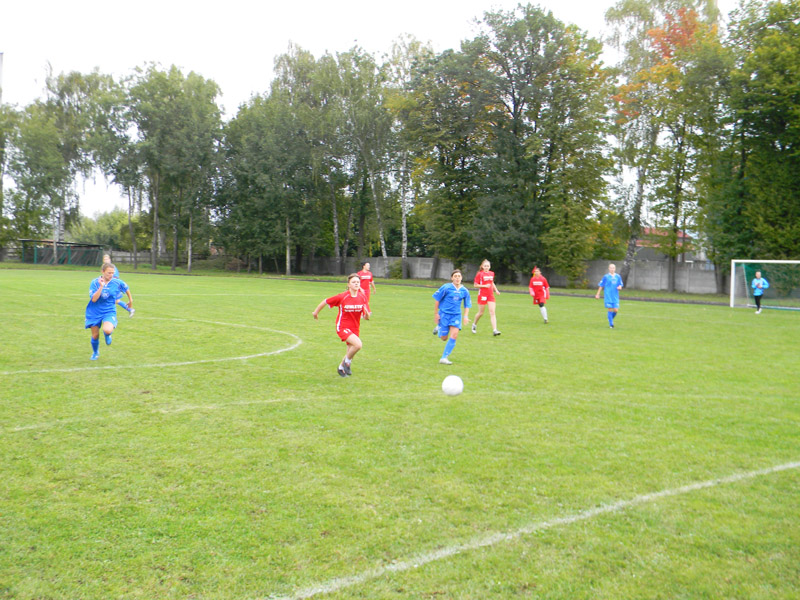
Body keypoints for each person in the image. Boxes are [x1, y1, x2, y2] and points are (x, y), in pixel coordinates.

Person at [312, 273, 372, 377]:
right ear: (348, 284)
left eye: (358, 282)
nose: (356, 284)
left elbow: (366, 317)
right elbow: (326, 301)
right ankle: (347, 363)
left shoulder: (362, 297)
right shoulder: (342, 297)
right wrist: (316, 312)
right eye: (353, 282)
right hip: (343, 326)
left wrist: (366, 314)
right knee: (358, 345)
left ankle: (341, 368)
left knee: (351, 350)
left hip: (355, 327)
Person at [85, 262, 133, 360]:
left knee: (107, 330)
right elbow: (94, 299)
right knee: (95, 335)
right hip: (94, 311)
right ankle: (95, 353)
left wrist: (130, 300)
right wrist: (101, 286)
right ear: (103, 271)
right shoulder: (95, 283)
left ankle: (107, 334)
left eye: (112, 273)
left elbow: (126, 288)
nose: (111, 275)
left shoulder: (117, 282)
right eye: (109, 273)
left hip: (109, 310)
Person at [433, 269, 471, 365]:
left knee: (454, 335)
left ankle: (444, 357)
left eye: (459, 276)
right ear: (452, 278)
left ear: (461, 278)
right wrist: (436, 314)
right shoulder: (446, 287)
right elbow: (437, 299)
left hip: (456, 316)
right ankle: (439, 327)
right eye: (455, 276)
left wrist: (465, 316)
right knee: (444, 338)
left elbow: (467, 305)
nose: (457, 278)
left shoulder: (465, 291)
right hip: (444, 315)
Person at [471, 259, 501, 336]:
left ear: (490, 266)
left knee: (492, 312)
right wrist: (484, 286)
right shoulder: (480, 274)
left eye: (488, 266)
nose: (486, 267)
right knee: (481, 313)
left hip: (490, 295)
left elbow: (492, 282)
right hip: (482, 295)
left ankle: (495, 330)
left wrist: (496, 290)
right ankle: (474, 324)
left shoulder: (491, 273)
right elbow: (475, 285)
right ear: (482, 266)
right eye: (485, 266)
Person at [595, 263, 623, 328]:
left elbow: (620, 284)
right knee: (610, 309)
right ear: (609, 269)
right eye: (611, 268)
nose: (612, 269)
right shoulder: (606, 276)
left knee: (616, 310)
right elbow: (601, 285)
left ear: (615, 269)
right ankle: (611, 324)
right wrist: (598, 294)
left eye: (613, 268)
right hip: (608, 295)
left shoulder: (618, 276)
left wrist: (620, 287)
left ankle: (610, 318)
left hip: (615, 296)